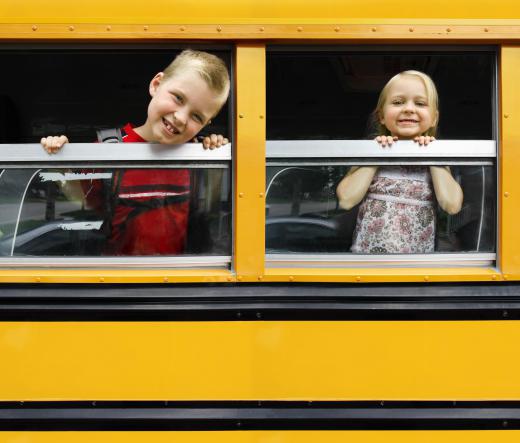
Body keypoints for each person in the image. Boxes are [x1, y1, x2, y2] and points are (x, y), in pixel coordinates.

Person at [41, 49, 230, 255]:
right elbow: (79, 200)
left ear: (205, 124)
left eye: (196, 117)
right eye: (178, 98)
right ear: (156, 84)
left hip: (176, 277)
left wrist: (214, 149)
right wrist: (59, 155)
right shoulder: (108, 150)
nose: (181, 118)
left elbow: (210, 210)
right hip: (118, 275)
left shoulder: (197, 156)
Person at [336, 70, 463, 254]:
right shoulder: (370, 152)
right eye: (397, 102)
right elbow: (347, 200)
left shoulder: (436, 158)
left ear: (434, 118)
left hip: (416, 266)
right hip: (366, 263)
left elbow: (452, 205)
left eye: (420, 103)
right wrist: (377, 154)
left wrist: (432, 154)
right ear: (381, 115)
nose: (409, 109)